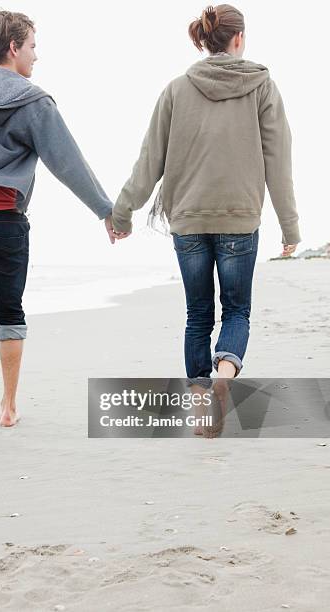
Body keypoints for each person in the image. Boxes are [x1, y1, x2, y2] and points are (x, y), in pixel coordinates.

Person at [0, 9, 119, 450]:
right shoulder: (34, 101)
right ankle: (9, 406)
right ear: (13, 48)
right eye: (33, 45)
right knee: (8, 313)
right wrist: (104, 210)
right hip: (6, 221)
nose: (37, 54)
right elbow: (66, 161)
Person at [111, 4, 301, 397]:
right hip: (240, 220)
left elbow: (150, 160)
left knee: (197, 315)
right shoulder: (262, 86)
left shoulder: (177, 89)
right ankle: (225, 375)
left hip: (188, 221)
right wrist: (290, 226)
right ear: (239, 38)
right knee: (236, 311)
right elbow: (278, 160)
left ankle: (200, 402)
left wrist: (123, 213)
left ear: (206, 39)